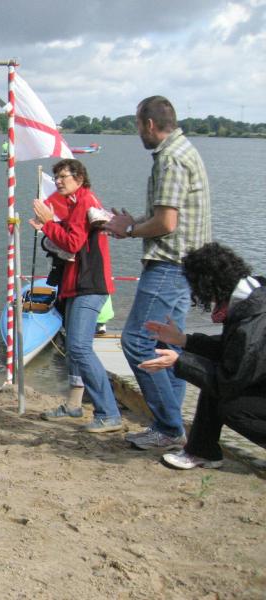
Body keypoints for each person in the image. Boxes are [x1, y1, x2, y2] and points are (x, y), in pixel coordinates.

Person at [104, 95, 212, 450]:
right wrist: (129, 223)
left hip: (169, 264)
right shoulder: (183, 150)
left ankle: (168, 427)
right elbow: (165, 216)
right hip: (185, 265)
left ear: (149, 124)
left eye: (137, 125)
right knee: (168, 344)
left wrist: (130, 230)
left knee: (136, 340)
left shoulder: (170, 158)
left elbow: (166, 223)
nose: (138, 132)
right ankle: (171, 427)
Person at [138, 242, 266, 469]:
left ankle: (201, 450)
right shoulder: (253, 293)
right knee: (211, 375)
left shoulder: (253, 318)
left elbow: (230, 380)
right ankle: (202, 451)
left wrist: (179, 361)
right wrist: (184, 340)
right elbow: (234, 350)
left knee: (232, 408)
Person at [30, 159, 120, 432]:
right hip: (74, 284)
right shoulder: (73, 203)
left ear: (79, 178)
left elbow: (73, 242)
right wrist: (48, 229)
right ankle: (73, 405)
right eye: (56, 176)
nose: (58, 181)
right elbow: (67, 240)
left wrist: (48, 224)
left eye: (63, 176)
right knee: (73, 348)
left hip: (89, 285)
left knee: (80, 347)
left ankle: (109, 414)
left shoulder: (84, 201)